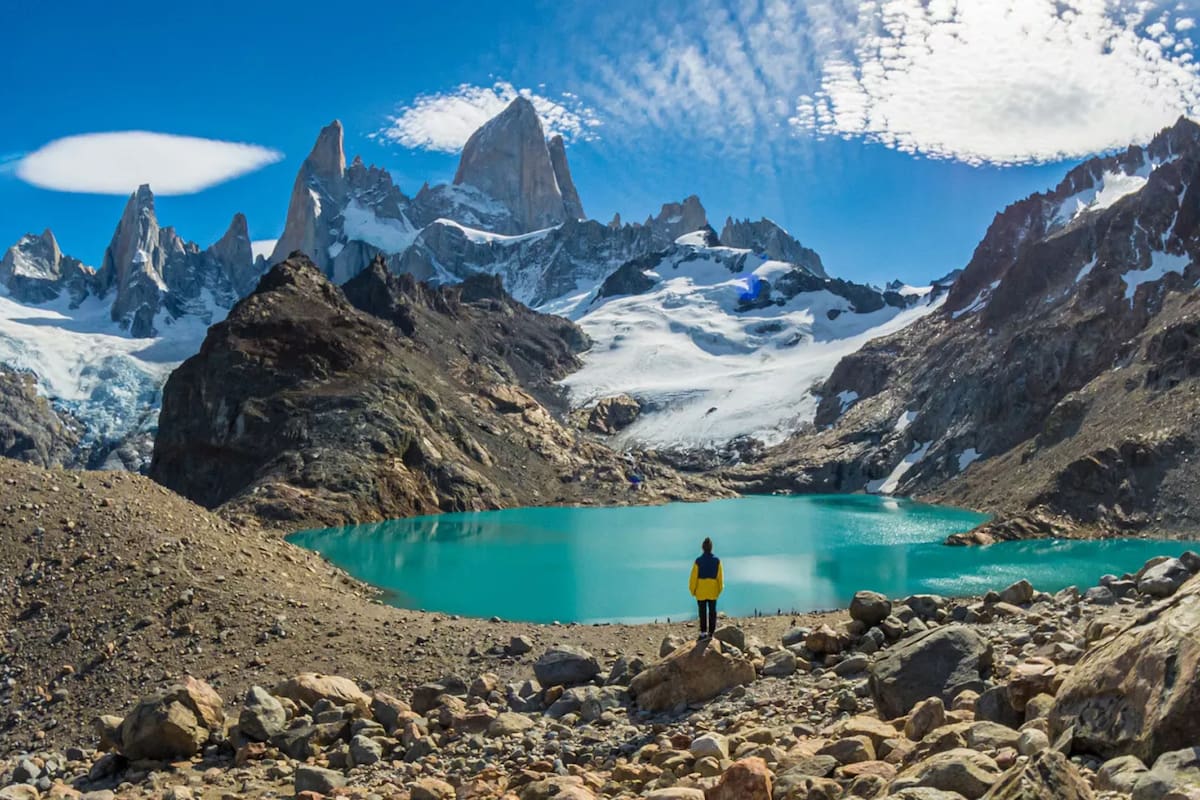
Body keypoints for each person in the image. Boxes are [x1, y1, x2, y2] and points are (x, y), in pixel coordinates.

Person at [689, 537, 723, 639]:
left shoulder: (698, 561)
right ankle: (711, 633)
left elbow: (693, 578)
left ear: (702, 548)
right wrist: (719, 590)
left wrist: (693, 590)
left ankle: (703, 632)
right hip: (713, 591)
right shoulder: (717, 561)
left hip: (701, 591)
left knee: (702, 611)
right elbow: (720, 578)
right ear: (711, 548)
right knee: (712, 612)